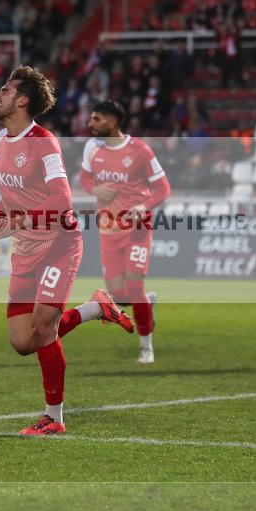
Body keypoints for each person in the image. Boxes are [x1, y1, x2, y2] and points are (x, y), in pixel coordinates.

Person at [0, 66, 133, 436]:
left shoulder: (44, 142)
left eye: (5, 90)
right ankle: (95, 308)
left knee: (43, 328)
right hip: (26, 248)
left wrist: (21, 221)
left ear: (22, 100)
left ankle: (53, 418)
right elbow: (9, 196)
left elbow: (62, 199)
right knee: (22, 341)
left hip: (59, 242)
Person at [80, 100, 171, 363]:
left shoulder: (140, 151)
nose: (90, 124)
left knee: (134, 285)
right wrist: (95, 190)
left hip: (137, 229)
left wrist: (144, 205)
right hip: (108, 229)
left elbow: (163, 189)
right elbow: (85, 179)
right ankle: (146, 304)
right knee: (120, 296)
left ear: (111, 121)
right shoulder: (91, 148)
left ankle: (146, 346)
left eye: (96, 119)